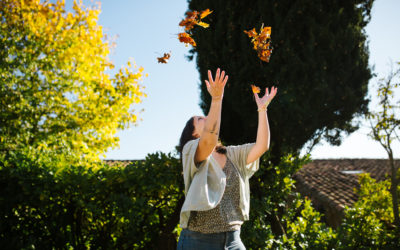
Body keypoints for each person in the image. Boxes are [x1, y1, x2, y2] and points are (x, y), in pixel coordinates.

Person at [176, 68, 277, 250]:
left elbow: (262, 146)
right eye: (200, 119)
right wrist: (216, 100)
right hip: (199, 242)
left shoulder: (231, 155)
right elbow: (208, 140)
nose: (206, 117)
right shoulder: (191, 151)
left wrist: (262, 109)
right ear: (193, 133)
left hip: (233, 240)